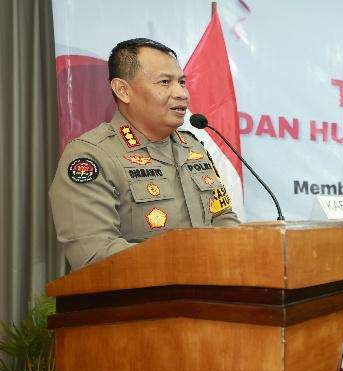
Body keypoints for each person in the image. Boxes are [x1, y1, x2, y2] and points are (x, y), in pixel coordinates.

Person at [50, 38, 240, 270]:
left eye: (182, 82)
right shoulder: (91, 155)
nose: (181, 93)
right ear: (123, 90)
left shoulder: (193, 148)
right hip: (140, 292)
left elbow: (223, 217)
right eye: (164, 82)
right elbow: (94, 254)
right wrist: (191, 263)